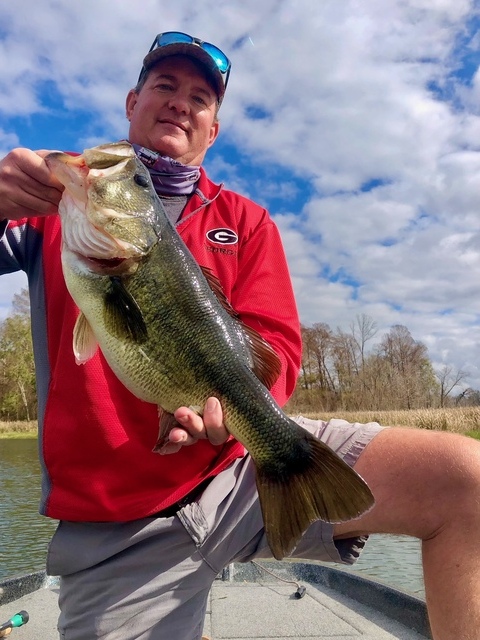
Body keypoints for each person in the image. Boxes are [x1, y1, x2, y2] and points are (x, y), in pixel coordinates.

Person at [0, 31, 479, 640]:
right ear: (131, 102)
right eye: (164, 86)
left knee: (467, 480)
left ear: (213, 130)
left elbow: (274, 352)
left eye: (200, 97)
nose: (180, 102)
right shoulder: (54, 197)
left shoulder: (247, 221)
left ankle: (295, 481)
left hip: (242, 470)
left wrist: (237, 412)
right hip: (120, 520)